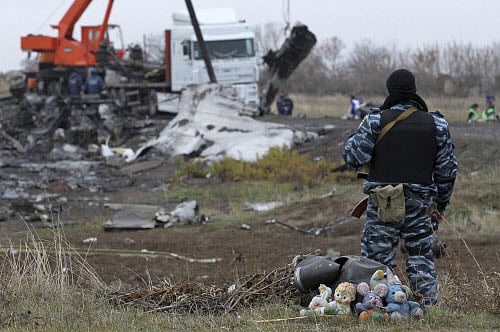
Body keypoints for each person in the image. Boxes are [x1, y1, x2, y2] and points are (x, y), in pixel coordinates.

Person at [343, 69, 458, 308]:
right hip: (420, 203)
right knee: (420, 257)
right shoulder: (436, 123)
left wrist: (356, 135)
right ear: (413, 90)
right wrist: (440, 205)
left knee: (376, 262)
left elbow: (353, 157)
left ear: (390, 90)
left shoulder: (376, 120)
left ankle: (375, 307)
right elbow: (447, 171)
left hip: (383, 202)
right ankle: (426, 309)